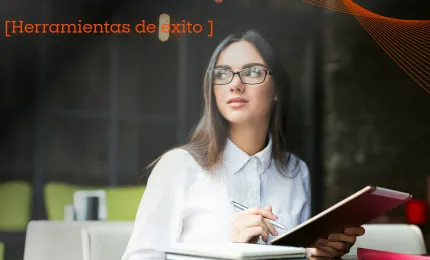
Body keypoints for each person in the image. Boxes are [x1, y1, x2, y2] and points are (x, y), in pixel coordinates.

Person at [121, 30, 365, 260]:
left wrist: (317, 254)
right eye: (222, 74)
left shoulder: (295, 171)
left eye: (251, 72)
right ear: (213, 89)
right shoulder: (178, 167)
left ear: (277, 89)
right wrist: (230, 251)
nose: (235, 84)